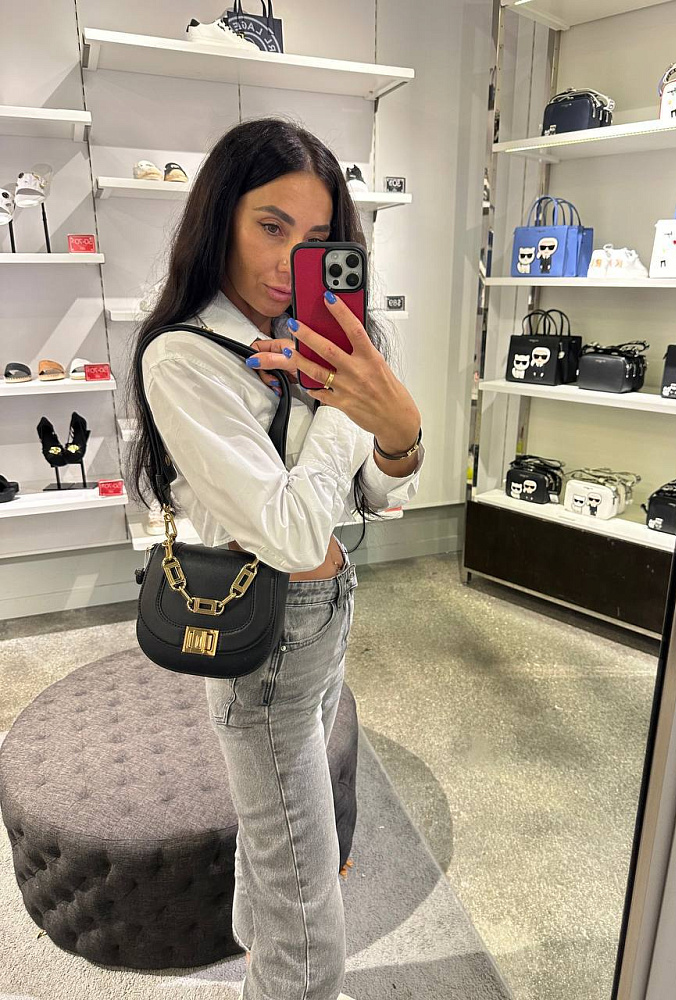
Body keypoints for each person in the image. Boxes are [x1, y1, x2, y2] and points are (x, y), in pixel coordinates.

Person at [125, 117, 425, 1000]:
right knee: (304, 883)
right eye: (271, 225)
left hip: (327, 614)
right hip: (261, 630)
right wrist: (343, 403)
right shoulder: (185, 356)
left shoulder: (314, 342)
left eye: (318, 238)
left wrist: (399, 433)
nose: (293, 259)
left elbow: (373, 493)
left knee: (279, 844)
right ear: (219, 218)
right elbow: (290, 533)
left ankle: (262, 968)